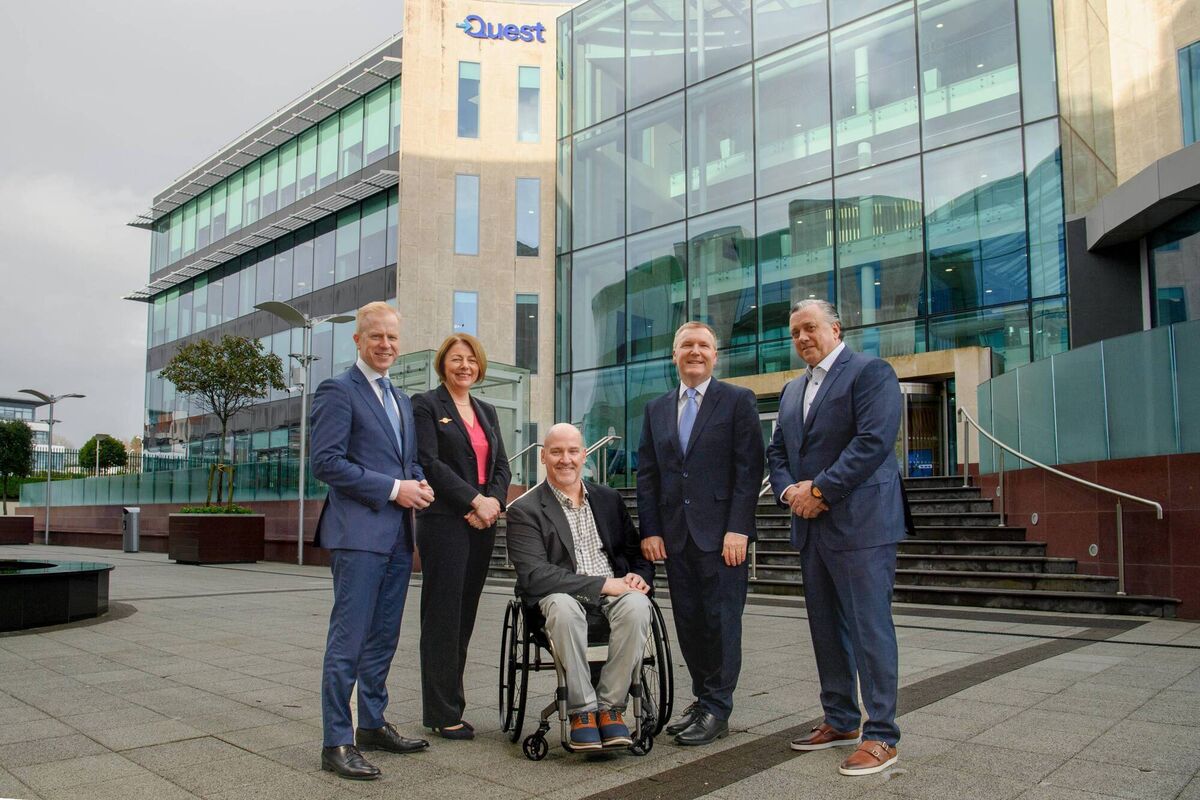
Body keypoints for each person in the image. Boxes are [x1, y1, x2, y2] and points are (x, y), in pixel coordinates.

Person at [766, 298, 905, 777]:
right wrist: (789, 492)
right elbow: (778, 451)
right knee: (826, 629)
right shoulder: (790, 391)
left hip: (862, 524)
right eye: (795, 333)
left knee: (869, 629)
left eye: (810, 328)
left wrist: (820, 489)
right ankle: (841, 719)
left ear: (835, 329)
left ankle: (882, 734)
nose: (802, 338)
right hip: (810, 526)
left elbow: (873, 440)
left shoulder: (870, 372)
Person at [310, 301, 434, 780]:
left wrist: (417, 483)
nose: (386, 345)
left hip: (400, 537)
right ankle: (336, 740)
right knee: (349, 640)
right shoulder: (337, 391)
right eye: (376, 337)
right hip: (358, 536)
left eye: (393, 339)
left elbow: (408, 462)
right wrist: (392, 489)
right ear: (358, 340)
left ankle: (373, 723)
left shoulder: (401, 398)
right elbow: (326, 462)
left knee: (383, 637)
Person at [635, 321, 764, 746]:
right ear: (674, 355)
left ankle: (718, 707)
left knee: (722, 621)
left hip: (722, 538)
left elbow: (749, 471)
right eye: (686, 345)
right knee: (690, 622)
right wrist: (651, 530)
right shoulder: (656, 409)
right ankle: (703, 698)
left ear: (715, 355)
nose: (695, 351)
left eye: (703, 345)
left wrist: (738, 529)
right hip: (675, 537)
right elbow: (648, 476)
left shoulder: (737, 401)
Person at [505, 423, 655, 751]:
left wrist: (639, 576)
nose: (565, 459)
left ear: (584, 455)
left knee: (638, 605)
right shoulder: (524, 510)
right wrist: (604, 584)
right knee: (561, 605)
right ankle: (582, 711)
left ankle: (610, 707)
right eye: (556, 452)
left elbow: (635, 553)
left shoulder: (608, 499)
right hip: (561, 601)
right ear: (543, 457)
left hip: (614, 596)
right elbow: (534, 575)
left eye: (573, 451)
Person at [411, 334, 511, 740]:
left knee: (465, 615)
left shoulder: (486, 410)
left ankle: (454, 703)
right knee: (442, 616)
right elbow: (429, 462)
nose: (464, 366)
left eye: (471, 359)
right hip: (444, 522)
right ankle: (440, 710)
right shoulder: (425, 405)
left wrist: (492, 504)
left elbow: (501, 465)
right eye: (456, 359)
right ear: (443, 364)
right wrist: (473, 500)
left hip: (481, 524)